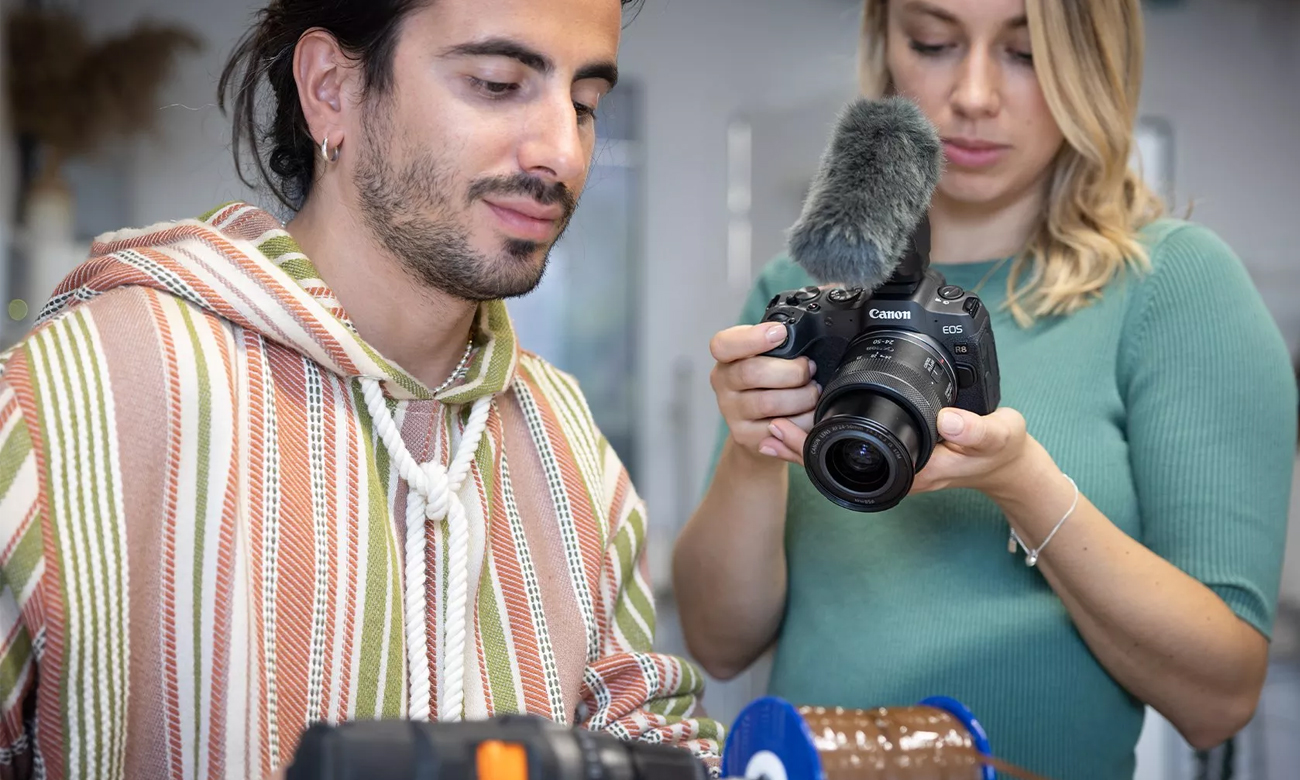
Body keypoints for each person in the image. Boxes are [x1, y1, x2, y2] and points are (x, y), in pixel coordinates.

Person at [0, 1, 723, 777]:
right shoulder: (75, 397)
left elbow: (649, 732)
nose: (564, 153)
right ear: (330, 91)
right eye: (497, 82)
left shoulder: (564, 434)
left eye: (584, 106)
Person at [673, 1, 1296, 778]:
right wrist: (754, 450)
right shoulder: (804, 290)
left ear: (1091, 64)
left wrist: (1024, 485)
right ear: (886, 47)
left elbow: (1219, 700)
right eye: (933, 43)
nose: (973, 94)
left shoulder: (1173, 288)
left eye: (1025, 53)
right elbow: (717, 645)